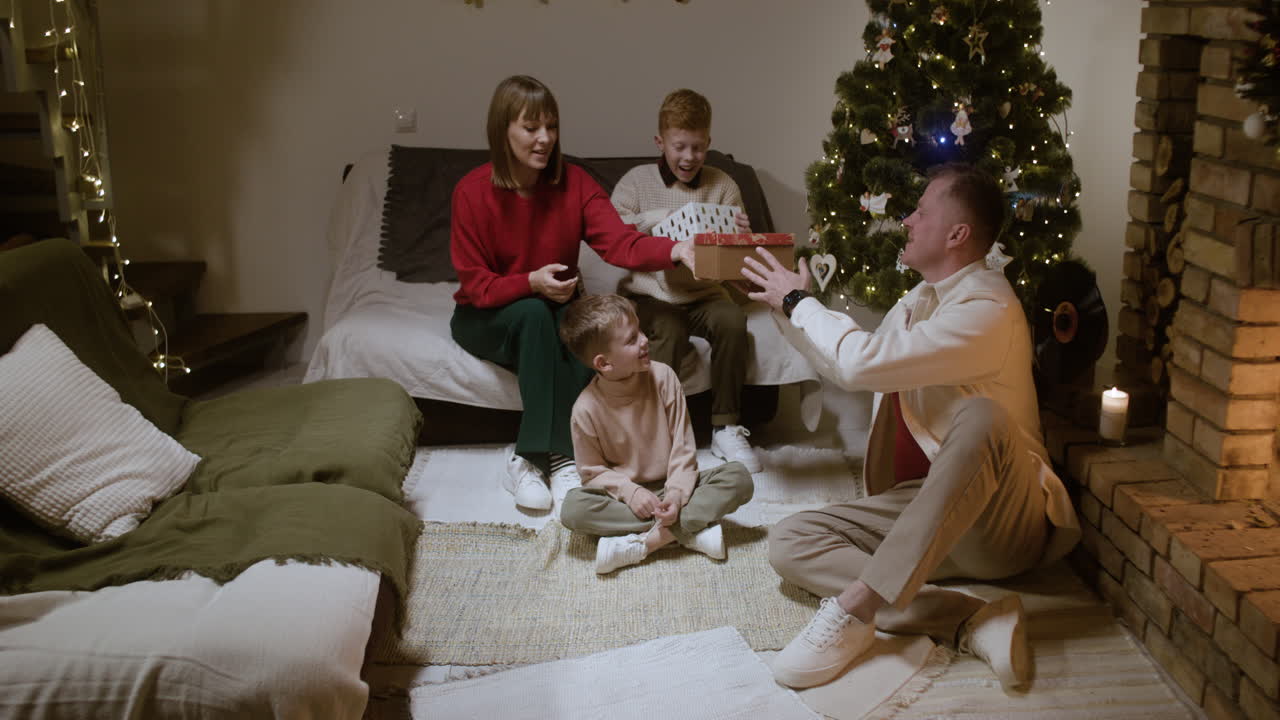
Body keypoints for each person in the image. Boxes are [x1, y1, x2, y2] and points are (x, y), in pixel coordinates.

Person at [741, 163, 1080, 691]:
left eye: (921, 211)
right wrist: (788, 311)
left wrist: (798, 302)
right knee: (791, 540)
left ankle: (857, 609)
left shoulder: (990, 308)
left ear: (957, 234)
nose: (906, 220)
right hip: (927, 511)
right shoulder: (919, 300)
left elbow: (861, 361)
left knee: (983, 417)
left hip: (1002, 523)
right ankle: (965, 617)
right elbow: (848, 367)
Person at [450, 76, 697, 512]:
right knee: (533, 313)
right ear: (502, 130)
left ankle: (567, 460)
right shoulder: (471, 192)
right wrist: (530, 281)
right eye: (531, 128)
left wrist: (676, 249)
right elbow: (475, 285)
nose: (545, 139)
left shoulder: (575, 183)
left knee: (572, 329)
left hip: (552, 311)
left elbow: (622, 243)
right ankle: (532, 457)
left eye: (552, 126)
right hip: (484, 315)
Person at [610, 89, 763, 474]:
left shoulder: (724, 184)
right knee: (669, 329)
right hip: (649, 294)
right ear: (660, 142)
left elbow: (735, 261)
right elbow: (612, 231)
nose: (689, 157)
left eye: (698, 147)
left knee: (732, 320)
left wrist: (739, 235)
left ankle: (726, 426)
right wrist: (660, 215)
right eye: (680, 146)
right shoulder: (636, 182)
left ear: (709, 143)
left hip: (704, 293)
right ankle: (655, 431)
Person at [556, 294, 754, 575]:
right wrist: (630, 491)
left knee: (739, 478)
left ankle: (650, 542)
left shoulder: (664, 377)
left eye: (641, 331)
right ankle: (690, 533)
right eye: (631, 339)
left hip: (677, 485)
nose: (645, 340)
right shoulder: (585, 409)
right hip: (626, 500)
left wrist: (675, 495)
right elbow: (591, 473)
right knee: (573, 510)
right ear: (604, 364)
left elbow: (684, 451)